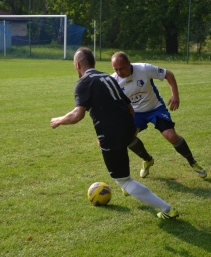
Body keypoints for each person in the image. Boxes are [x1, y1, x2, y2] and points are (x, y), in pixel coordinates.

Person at [50, 47, 179, 219]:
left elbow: (77, 115)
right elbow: (130, 108)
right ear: (94, 63)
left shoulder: (83, 82)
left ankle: (167, 210)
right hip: (129, 128)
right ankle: (126, 180)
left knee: (124, 181)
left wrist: (58, 120)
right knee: (117, 159)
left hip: (113, 134)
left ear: (77, 64)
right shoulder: (108, 78)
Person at [111, 51, 207, 178]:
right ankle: (147, 160)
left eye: (122, 68)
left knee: (171, 136)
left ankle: (192, 161)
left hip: (155, 108)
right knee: (127, 137)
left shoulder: (144, 69)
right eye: (116, 69)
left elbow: (169, 74)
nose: (119, 72)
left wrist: (175, 95)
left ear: (129, 63)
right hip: (135, 113)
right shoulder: (113, 81)